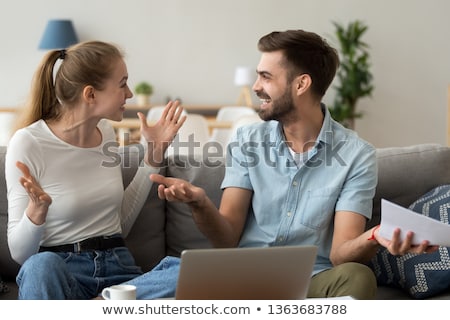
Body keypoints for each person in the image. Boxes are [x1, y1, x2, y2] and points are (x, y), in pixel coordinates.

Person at [125, 29, 437, 300]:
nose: (256, 86)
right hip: (243, 275)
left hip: (312, 280)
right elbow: (226, 237)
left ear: (301, 84)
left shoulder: (356, 154)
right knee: (176, 272)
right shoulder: (248, 140)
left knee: (357, 277)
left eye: (266, 76)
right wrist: (201, 203)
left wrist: (376, 236)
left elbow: (341, 255)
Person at [5, 40, 186, 299]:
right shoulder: (28, 142)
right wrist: (36, 212)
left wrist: (154, 154)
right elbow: (21, 255)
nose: (130, 94)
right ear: (90, 94)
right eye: (122, 83)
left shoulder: (106, 133)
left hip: (118, 269)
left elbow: (118, 223)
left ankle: (99, 304)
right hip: (63, 271)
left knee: (185, 270)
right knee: (39, 266)